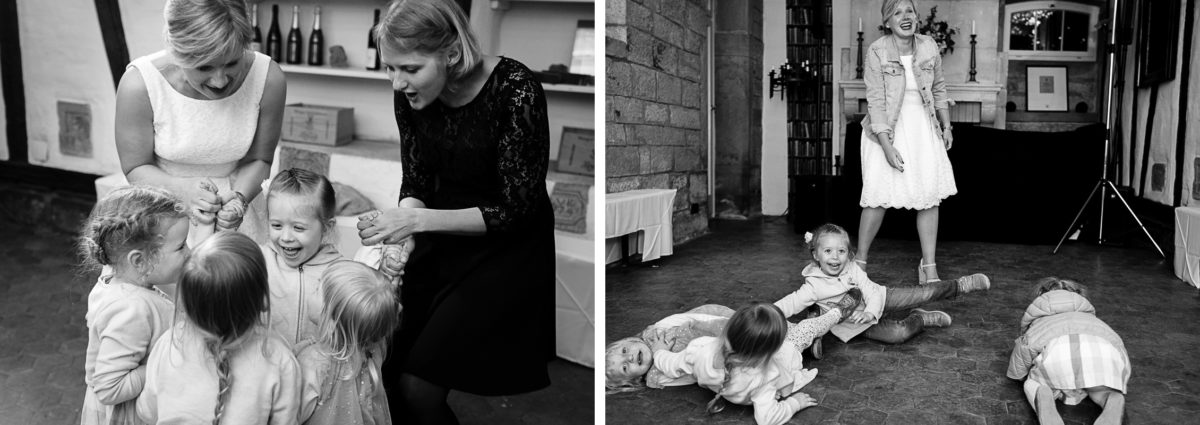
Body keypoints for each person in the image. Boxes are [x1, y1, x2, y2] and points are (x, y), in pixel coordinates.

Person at [355, 0, 555, 422]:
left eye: (409, 69)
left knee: (418, 387)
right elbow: (417, 183)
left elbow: (516, 209)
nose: (397, 83)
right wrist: (399, 232)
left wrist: (415, 221)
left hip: (507, 249)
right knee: (385, 371)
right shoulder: (410, 95)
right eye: (389, 68)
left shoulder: (516, 88)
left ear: (450, 53)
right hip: (440, 236)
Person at [115, 0, 286, 247]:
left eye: (232, 63)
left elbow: (260, 159)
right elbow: (136, 166)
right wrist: (182, 191)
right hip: (160, 211)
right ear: (176, 52)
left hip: (236, 214)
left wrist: (239, 200)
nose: (219, 81)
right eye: (204, 67)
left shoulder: (268, 78)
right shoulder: (139, 84)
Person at [137, 231, 301, 424]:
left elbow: (147, 412)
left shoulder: (170, 342)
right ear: (263, 300)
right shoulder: (278, 359)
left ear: (188, 304)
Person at [857, 0, 957, 284]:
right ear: (887, 21)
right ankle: (860, 265)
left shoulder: (928, 46)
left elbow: (939, 88)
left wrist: (946, 125)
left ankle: (929, 267)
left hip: (923, 129)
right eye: (897, 13)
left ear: (917, 17)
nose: (905, 17)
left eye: (909, 11)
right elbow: (875, 100)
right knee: (877, 197)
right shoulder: (877, 50)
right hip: (885, 129)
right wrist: (887, 145)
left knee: (928, 198)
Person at [775, 224, 991, 349]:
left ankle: (961, 285)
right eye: (828, 251)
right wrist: (767, 314)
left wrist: (870, 311)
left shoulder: (852, 269)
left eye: (841, 251)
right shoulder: (813, 286)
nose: (835, 257)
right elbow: (791, 302)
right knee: (898, 334)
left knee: (922, 292)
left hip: (880, 298)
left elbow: (869, 290)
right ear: (816, 255)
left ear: (848, 254)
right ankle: (922, 319)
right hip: (856, 324)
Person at [78, 186, 188, 425]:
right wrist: (160, 363)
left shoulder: (121, 280)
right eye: (181, 247)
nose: (189, 253)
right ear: (140, 261)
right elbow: (109, 388)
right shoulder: (131, 309)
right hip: (126, 415)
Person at [604, 298, 858, 393]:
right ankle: (829, 318)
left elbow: (694, 319)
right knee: (787, 343)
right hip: (734, 355)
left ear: (630, 341)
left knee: (774, 327)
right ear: (631, 381)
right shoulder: (657, 376)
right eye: (625, 368)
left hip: (725, 330)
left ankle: (828, 318)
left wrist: (728, 322)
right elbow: (692, 375)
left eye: (624, 351)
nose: (629, 358)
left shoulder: (655, 330)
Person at [653, 303, 822, 425]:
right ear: (770, 353)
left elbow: (671, 364)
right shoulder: (765, 376)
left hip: (749, 376)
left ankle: (811, 325)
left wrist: (658, 352)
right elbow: (768, 419)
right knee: (798, 341)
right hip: (781, 367)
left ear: (728, 329)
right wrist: (794, 404)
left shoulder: (700, 347)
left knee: (794, 340)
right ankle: (827, 318)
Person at [1007, 278, 1129, 425]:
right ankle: (1112, 398)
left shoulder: (1041, 320)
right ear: (1079, 297)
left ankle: (1045, 398)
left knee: (1032, 384)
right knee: (1099, 389)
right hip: (1104, 353)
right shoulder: (1090, 318)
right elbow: (1117, 345)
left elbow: (1025, 347)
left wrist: (1019, 375)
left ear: (1041, 297)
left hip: (1060, 353)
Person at [297, 261, 401, 425]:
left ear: (331, 320)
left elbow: (293, 414)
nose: (312, 290)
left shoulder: (313, 361)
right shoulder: (373, 350)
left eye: (317, 290)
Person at [262, 168, 346, 348]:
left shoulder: (339, 272)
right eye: (276, 225)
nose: (285, 237)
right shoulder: (259, 262)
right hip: (271, 368)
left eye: (298, 228)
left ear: (327, 228)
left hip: (316, 370)